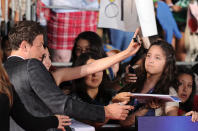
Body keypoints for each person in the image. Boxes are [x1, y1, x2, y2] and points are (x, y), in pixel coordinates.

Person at [4, 21, 139, 131]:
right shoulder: (31, 65)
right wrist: (105, 112)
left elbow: (88, 68)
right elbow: (62, 104)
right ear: (24, 46)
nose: (42, 51)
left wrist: (126, 53)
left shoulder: (3, 70)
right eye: (40, 46)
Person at [113, 40, 179, 126]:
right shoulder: (134, 79)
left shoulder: (169, 92)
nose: (150, 60)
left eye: (157, 57)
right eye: (148, 55)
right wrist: (123, 81)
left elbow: (172, 122)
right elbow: (122, 120)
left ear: (167, 64)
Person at [0, 54, 71, 131]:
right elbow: (28, 122)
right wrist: (54, 121)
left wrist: (54, 121)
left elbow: (28, 122)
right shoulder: (6, 88)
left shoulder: (6, 88)